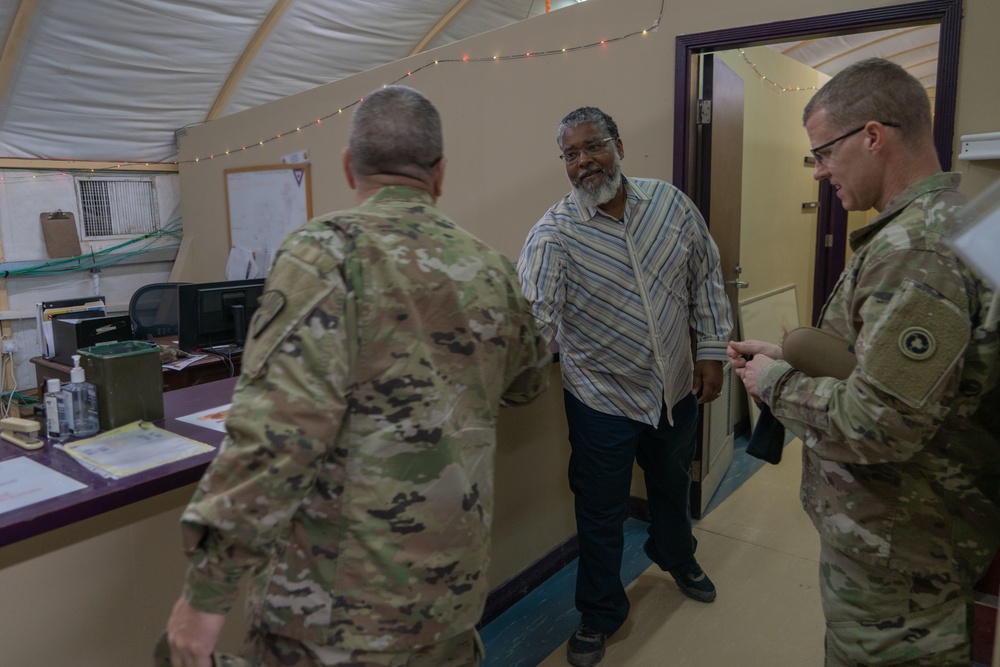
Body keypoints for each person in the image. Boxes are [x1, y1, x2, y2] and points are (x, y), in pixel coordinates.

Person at [162, 85, 552, 667]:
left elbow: (276, 437)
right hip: (450, 601)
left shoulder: (323, 255)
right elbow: (529, 382)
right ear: (440, 172)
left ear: (349, 166)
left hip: (333, 617)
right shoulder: (491, 269)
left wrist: (207, 595)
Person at [728, 58, 1000, 666]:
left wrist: (776, 384)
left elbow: (878, 424)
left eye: (822, 152)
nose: (819, 171)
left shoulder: (919, 248)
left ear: (873, 136)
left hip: (904, 562)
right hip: (915, 537)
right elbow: (912, 378)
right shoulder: (962, 224)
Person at [517, 106, 733, 667]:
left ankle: (675, 554)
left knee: (670, 483)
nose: (583, 161)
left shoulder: (669, 204)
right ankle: (600, 613)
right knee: (600, 509)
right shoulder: (553, 236)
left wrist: (711, 350)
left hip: (674, 388)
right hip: (601, 399)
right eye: (571, 154)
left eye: (593, 147)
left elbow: (705, 273)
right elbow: (533, 321)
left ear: (618, 145)